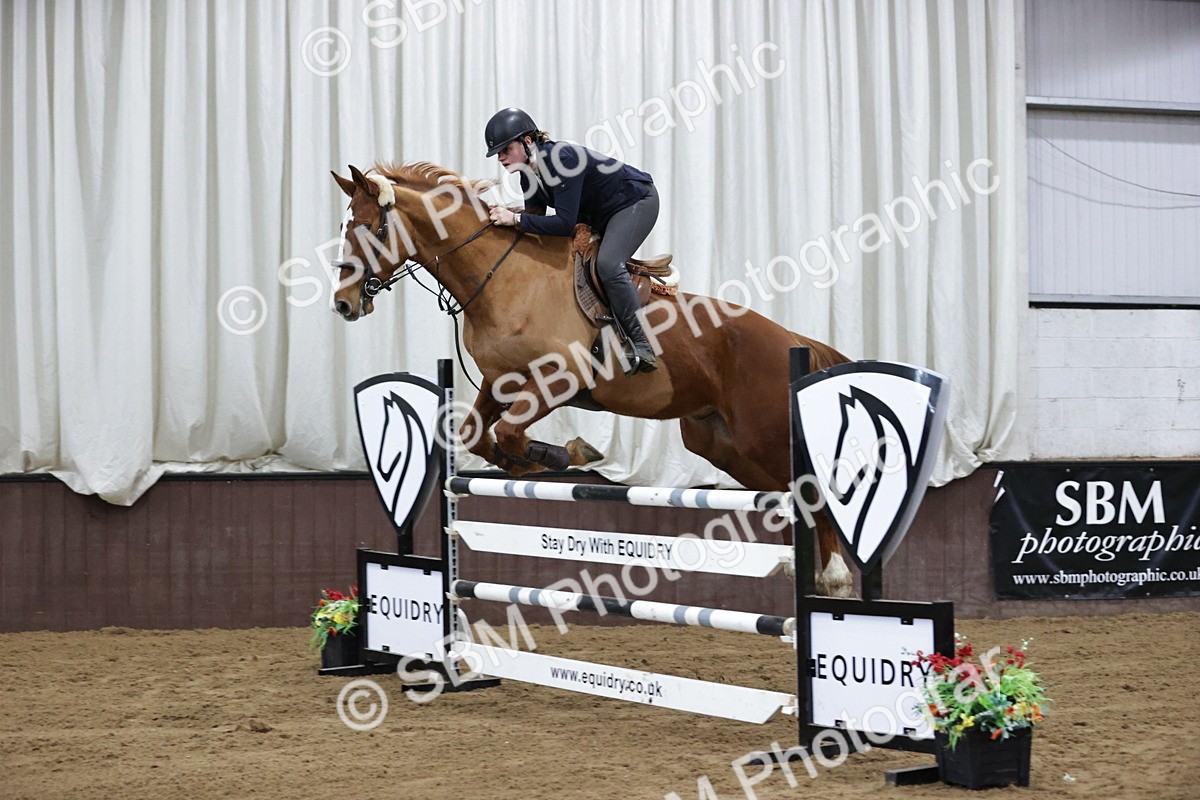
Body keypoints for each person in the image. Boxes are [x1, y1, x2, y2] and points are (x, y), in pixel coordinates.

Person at [484, 107, 659, 374]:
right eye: (498, 153)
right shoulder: (526, 174)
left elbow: (565, 223)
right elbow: (535, 224)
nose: (500, 157)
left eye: (506, 149)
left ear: (528, 141)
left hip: (635, 202)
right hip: (603, 214)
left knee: (609, 265)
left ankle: (642, 344)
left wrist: (515, 220)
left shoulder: (561, 158)